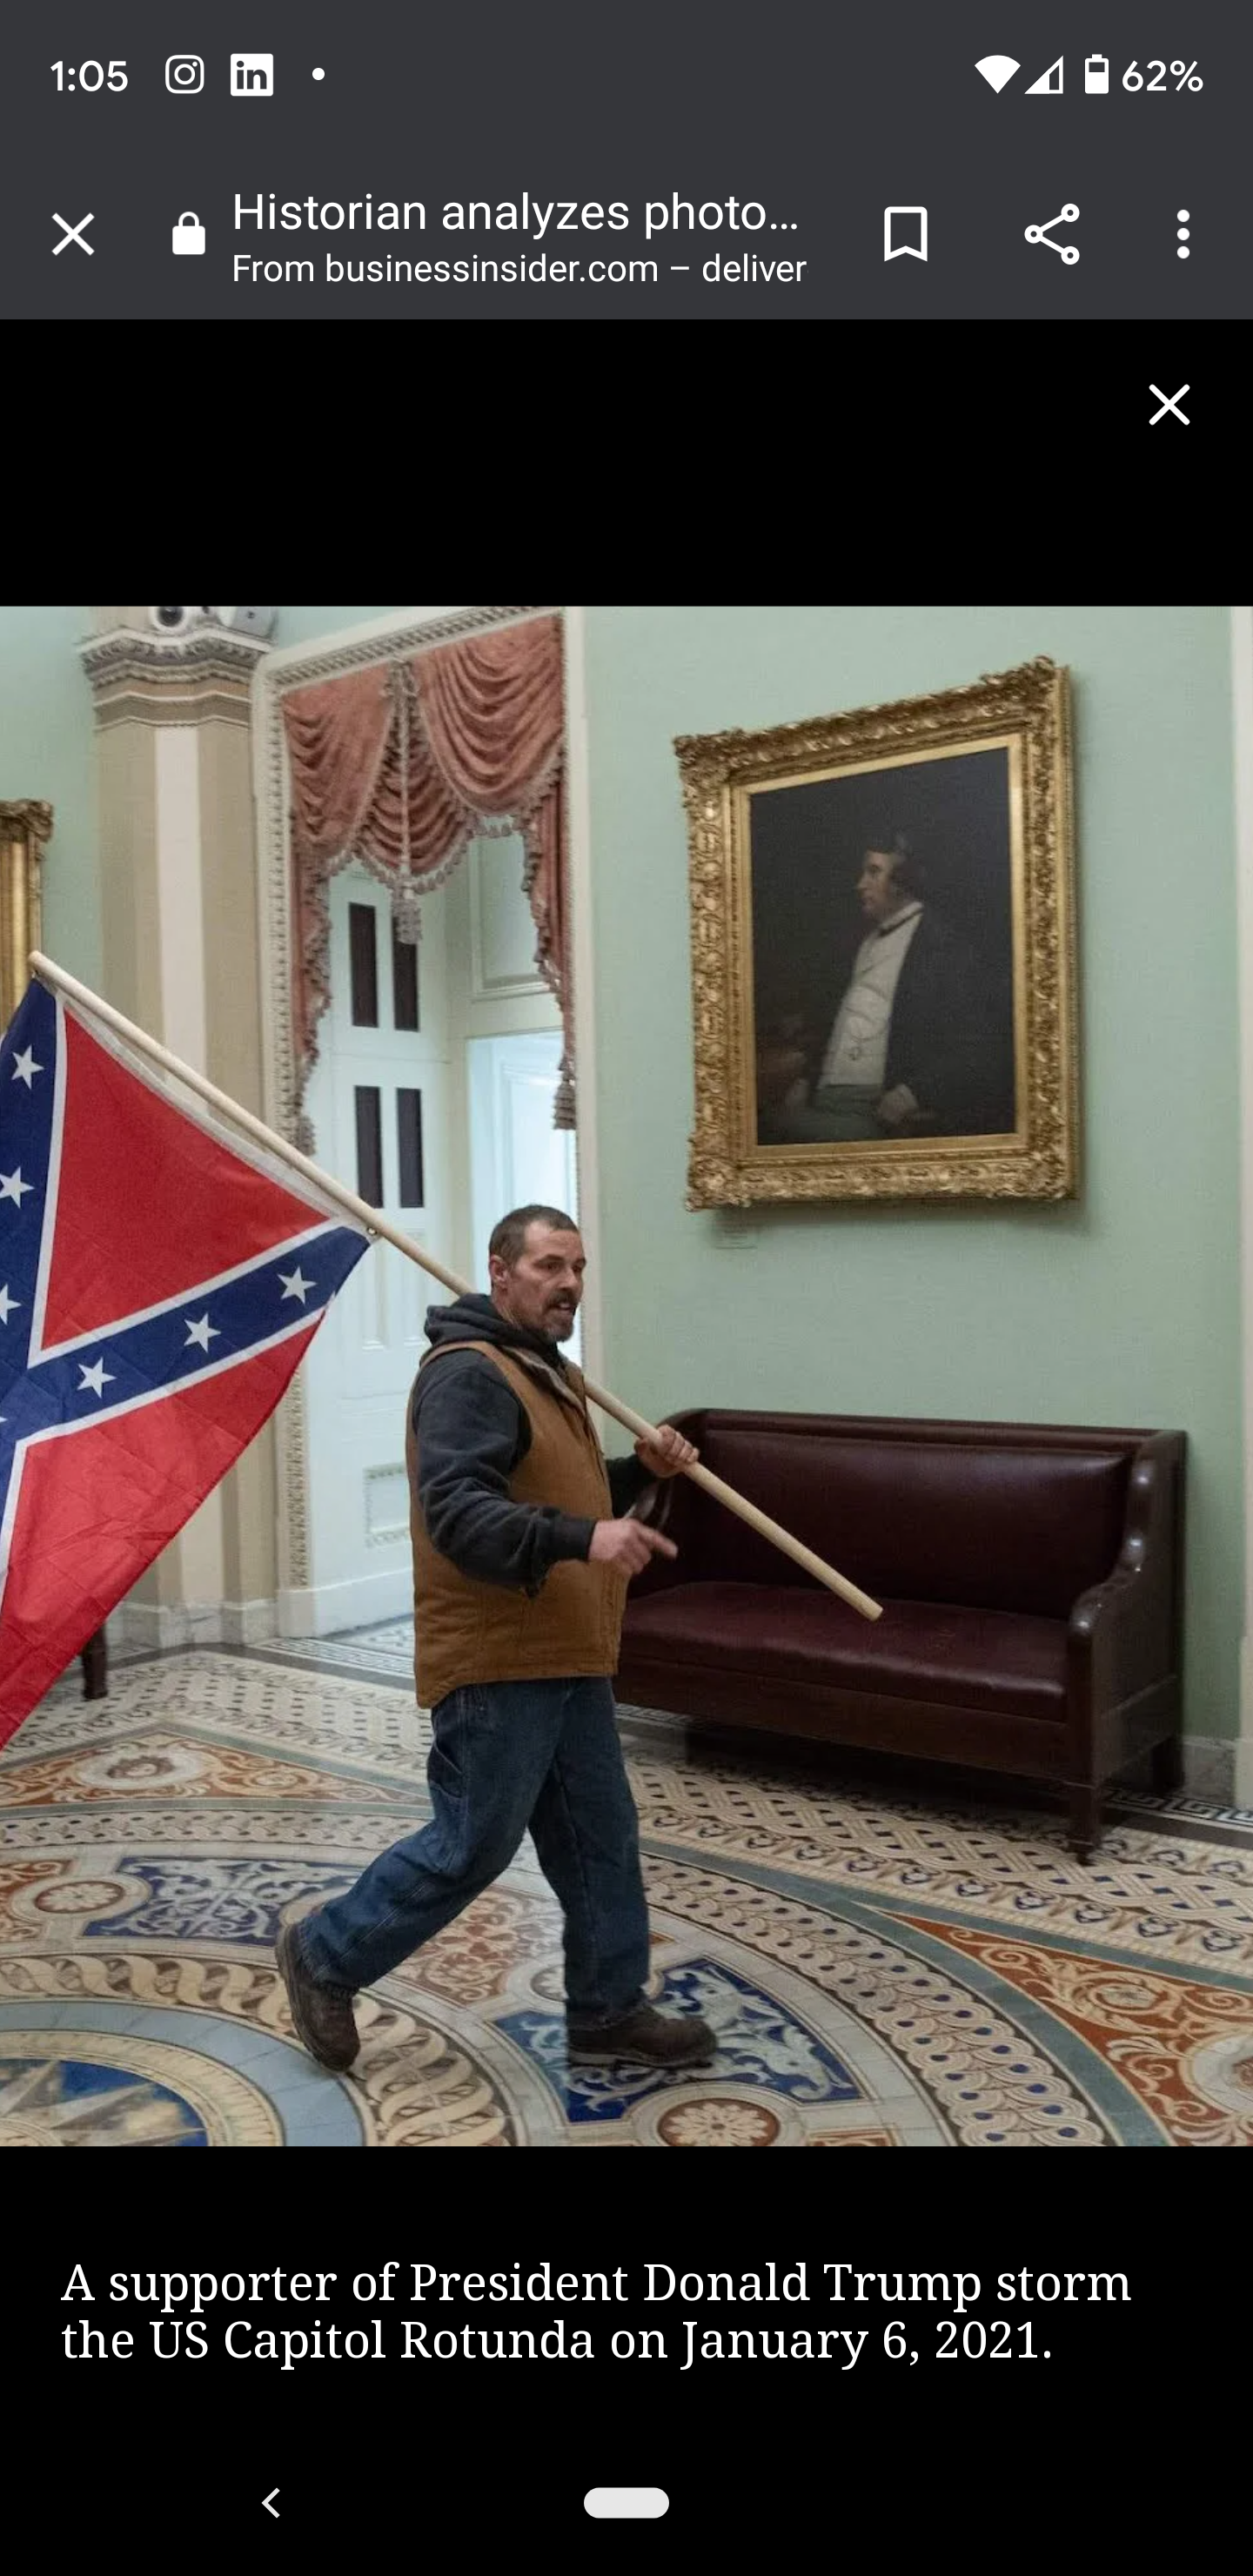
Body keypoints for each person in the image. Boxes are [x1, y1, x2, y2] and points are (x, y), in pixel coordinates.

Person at [276, 1204, 717, 2076]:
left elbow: (559, 1493)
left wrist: (638, 1472)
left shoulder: (544, 1368)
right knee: (471, 1843)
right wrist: (586, 1537)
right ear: (500, 1270)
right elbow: (460, 1514)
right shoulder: (469, 1375)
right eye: (550, 1265)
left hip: (567, 1649)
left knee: (599, 1837)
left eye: (577, 1267)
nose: (569, 1283)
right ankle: (325, 1953)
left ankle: (608, 2009)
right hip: (499, 1656)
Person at [759, 835, 999, 1142]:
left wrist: (912, 1094)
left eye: (873, 872)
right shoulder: (864, 941)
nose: (860, 884)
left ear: (902, 880)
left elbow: (979, 1048)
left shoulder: (942, 947)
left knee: (769, 1128)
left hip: (875, 1111)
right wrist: (806, 1079)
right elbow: (839, 1023)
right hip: (824, 1099)